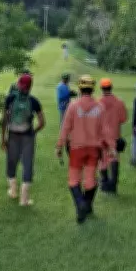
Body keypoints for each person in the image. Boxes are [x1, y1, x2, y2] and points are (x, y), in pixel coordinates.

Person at [56, 74, 106, 224]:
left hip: (76, 148)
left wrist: (59, 146)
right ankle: (87, 206)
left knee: (74, 180)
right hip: (94, 149)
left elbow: (65, 128)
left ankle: (81, 205)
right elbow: (104, 131)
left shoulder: (73, 106)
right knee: (90, 180)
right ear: (92, 89)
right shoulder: (100, 107)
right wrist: (109, 148)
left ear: (79, 88)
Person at [2, 73, 45, 206]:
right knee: (27, 165)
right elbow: (42, 122)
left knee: (11, 163)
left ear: (19, 84)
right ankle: (24, 199)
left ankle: (13, 191)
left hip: (13, 135)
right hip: (28, 137)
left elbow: (4, 120)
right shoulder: (34, 101)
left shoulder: (10, 99)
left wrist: (3, 138)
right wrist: (33, 132)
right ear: (30, 87)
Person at [98, 78, 128, 194]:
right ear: (111, 88)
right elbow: (124, 119)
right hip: (115, 135)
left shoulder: (98, 103)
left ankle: (104, 183)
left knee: (102, 160)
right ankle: (113, 184)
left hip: (101, 137)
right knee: (114, 158)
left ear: (101, 88)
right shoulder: (119, 102)